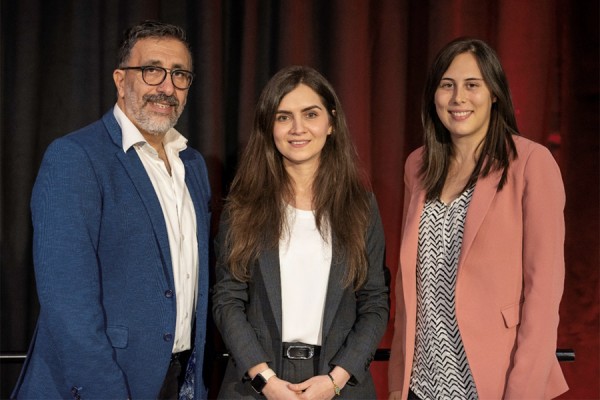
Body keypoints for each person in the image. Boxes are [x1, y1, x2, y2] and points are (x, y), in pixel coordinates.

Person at [11, 21, 211, 399]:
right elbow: (68, 307)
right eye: (152, 70)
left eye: (180, 75)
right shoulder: (75, 157)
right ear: (121, 80)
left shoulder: (193, 165)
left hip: (178, 381)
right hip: (99, 385)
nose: (166, 87)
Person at [388, 37, 569, 399]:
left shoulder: (531, 163)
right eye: (447, 85)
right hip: (422, 384)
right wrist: (397, 385)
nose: (458, 98)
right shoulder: (418, 166)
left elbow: (543, 295)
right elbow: (409, 290)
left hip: (494, 384)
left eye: (472, 85)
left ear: (495, 94)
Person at [212, 65, 389, 399]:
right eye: (283, 117)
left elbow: (375, 302)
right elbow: (227, 298)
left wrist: (335, 380)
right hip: (256, 385)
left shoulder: (361, 206)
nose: (297, 129)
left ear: (331, 122)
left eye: (310, 114)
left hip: (338, 383)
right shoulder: (243, 205)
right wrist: (264, 379)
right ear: (269, 126)